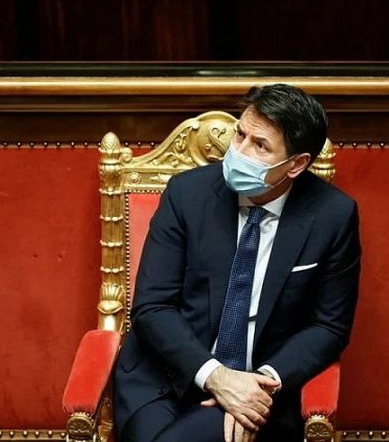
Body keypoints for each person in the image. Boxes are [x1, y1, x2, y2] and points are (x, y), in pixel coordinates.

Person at [114, 84, 361, 442]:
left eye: (260, 146)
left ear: (296, 164)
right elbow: (153, 307)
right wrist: (217, 377)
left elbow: (329, 326)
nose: (239, 151)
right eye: (240, 134)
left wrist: (258, 386)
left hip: (259, 387)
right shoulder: (186, 194)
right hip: (164, 379)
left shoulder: (332, 216)